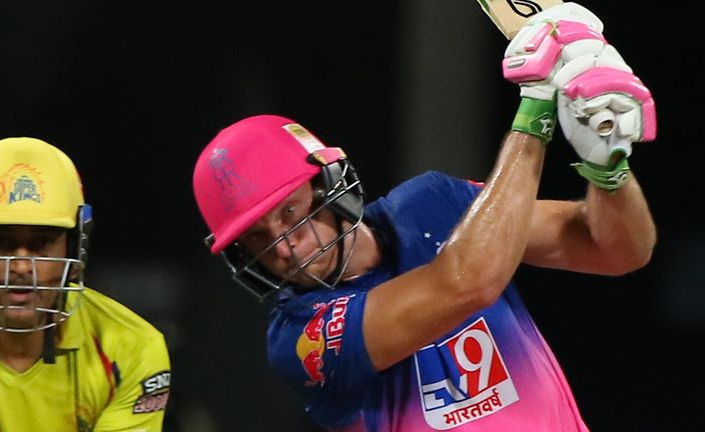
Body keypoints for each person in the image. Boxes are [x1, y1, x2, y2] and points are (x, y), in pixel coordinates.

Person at [192, 3, 656, 431]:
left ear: (327, 183)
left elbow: (618, 251)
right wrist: (535, 110)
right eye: (256, 238)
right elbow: (467, 283)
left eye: (288, 211)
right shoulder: (300, 338)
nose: (284, 244)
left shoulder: (432, 203)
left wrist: (606, 168)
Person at [0, 137, 171, 431]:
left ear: (74, 249)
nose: (21, 267)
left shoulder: (131, 348)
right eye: (0, 242)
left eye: (42, 243)